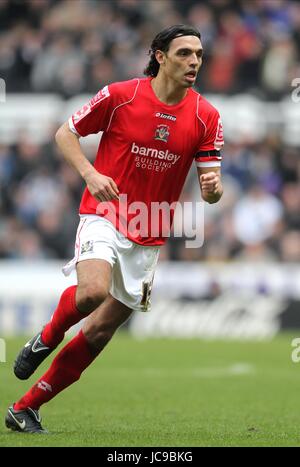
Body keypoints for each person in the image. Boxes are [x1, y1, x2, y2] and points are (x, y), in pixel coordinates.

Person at [5, 24, 224, 433]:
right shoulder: (121, 95)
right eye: (183, 53)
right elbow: (65, 133)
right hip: (105, 212)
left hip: (150, 230)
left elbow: (212, 184)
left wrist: (213, 190)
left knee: (101, 331)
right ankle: (46, 338)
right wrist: (89, 173)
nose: (194, 61)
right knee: (92, 292)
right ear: (159, 56)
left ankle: (25, 408)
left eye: (198, 53)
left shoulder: (206, 116)